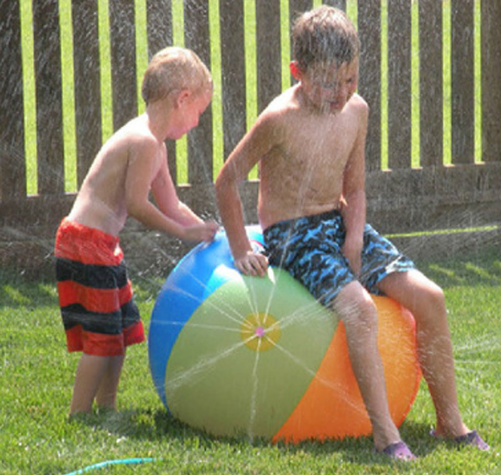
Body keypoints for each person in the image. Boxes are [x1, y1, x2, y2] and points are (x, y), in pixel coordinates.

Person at [215, 6, 489, 461]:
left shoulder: (355, 111)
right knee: (360, 310)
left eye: (350, 79)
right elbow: (227, 179)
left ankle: (450, 423)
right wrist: (241, 247)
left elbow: (356, 188)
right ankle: (385, 435)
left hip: (340, 220)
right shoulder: (279, 119)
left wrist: (355, 237)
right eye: (328, 82)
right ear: (297, 72)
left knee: (431, 297)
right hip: (292, 233)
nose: (340, 93)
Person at [55, 47, 219, 416]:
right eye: (198, 114)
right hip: (84, 242)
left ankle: (107, 407)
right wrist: (182, 233)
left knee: (121, 330)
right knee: (101, 337)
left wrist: (205, 229)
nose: (196, 124)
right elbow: (140, 205)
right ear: (183, 99)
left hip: (100, 244)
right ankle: (79, 414)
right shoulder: (143, 141)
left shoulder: (155, 145)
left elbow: (171, 203)